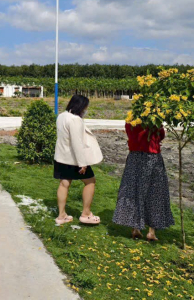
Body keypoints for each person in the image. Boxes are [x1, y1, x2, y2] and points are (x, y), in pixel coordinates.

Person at [112, 123, 174, 241]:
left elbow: (129, 133)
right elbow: (161, 135)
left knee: (134, 190)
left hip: (134, 157)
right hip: (152, 157)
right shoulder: (154, 120)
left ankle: (135, 228)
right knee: (155, 192)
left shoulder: (131, 120)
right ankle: (151, 231)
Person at [54, 94, 103, 226]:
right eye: (85, 107)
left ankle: (61, 215)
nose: (86, 110)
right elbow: (77, 143)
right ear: (81, 106)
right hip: (73, 159)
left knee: (64, 184)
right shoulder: (75, 120)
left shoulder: (62, 116)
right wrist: (82, 163)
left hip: (61, 157)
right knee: (90, 181)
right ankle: (86, 214)